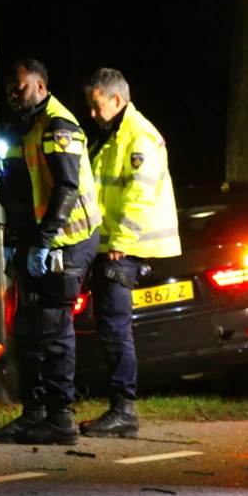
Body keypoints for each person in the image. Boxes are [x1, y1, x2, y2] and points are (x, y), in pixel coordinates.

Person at [0, 58, 101, 445]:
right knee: (28, 328)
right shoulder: (22, 127)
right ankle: (34, 412)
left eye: (19, 87)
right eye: (9, 88)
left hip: (65, 241)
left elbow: (66, 189)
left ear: (40, 86)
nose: (12, 94)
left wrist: (42, 240)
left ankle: (61, 418)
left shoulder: (58, 125)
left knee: (53, 329)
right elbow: (17, 189)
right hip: (36, 240)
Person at [79, 68, 180, 438]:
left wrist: (120, 242)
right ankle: (121, 408)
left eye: (96, 105)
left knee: (115, 329)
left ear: (117, 100)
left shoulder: (138, 136)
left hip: (125, 250)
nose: (91, 113)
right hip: (113, 248)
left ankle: (123, 409)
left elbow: (140, 195)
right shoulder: (115, 136)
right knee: (111, 328)